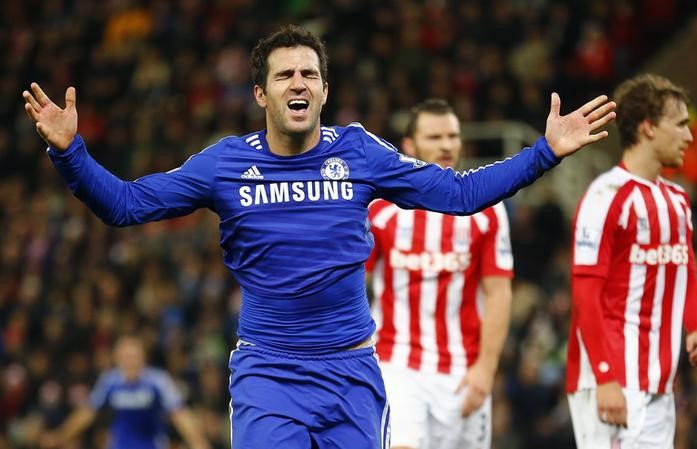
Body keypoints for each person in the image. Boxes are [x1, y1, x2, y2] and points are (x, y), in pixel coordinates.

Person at [22, 24, 615, 449]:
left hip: (351, 373)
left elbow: (458, 195)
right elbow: (125, 205)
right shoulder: (225, 164)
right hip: (268, 372)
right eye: (284, 75)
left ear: (324, 92)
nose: (298, 82)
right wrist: (70, 152)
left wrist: (544, 153)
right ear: (262, 94)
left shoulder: (358, 151)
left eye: (310, 73)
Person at [566, 73, 697, 449]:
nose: (690, 136)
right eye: (680, 125)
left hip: (659, 386)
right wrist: (605, 377)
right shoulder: (605, 196)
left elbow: (687, 271)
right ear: (649, 128)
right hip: (611, 381)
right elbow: (585, 293)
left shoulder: (677, 201)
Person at [366, 99, 512, 449]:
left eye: (453, 135)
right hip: (396, 363)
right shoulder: (381, 208)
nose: (446, 145)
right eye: (434, 137)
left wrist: (486, 369)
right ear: (409, 146)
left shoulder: (487, 208)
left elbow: (499, 292)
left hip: (462, 371)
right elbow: (354, 281)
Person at [40, 336, 210, 449]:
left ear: (143, 358)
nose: (130, 362)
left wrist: (199, 443)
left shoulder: (158, 380)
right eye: (125, 357)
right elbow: (87, 413)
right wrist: (60, 435)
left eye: (134, 356)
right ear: (117, 359)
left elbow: (180, 415)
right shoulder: (110, 381)